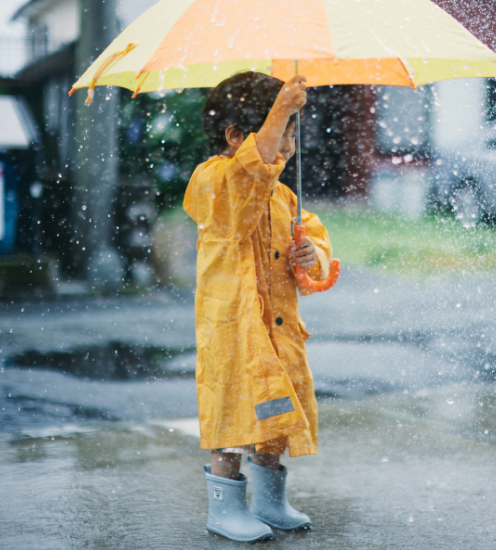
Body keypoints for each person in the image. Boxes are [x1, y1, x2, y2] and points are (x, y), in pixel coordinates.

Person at [183, 71, 332, 543]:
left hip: (276, 331)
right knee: (231, 417)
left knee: (274, 416)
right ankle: (224, 506)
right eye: (284, 130)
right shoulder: (213, 181)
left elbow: (315, 242)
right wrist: (283, 105)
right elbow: (248, 176)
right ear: (233, 136)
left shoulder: (284, 195)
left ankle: (269, 500)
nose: (288, 145)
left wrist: (314, 256)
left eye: (293, 133)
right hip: (233, 331)